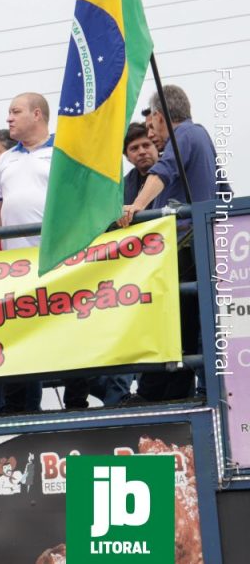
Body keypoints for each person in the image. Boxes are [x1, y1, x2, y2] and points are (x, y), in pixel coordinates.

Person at [119, 85, 233, 401]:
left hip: (187, 243)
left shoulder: (183, 136)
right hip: (205, 242)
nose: (151, 131)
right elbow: (224, 190)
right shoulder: (203, 136)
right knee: (193, 319)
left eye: (152, 122)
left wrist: (136, 206)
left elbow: (162, 171)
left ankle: (194, 388)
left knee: (181, 319)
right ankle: (194, 387)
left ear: (159, 116)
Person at [0, 93, 54, 413]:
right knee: (17, 337)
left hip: (57, 263)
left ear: (37, 114)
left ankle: (78, 403)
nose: (8, 118)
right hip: (15, 269)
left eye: (15, 112)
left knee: (66, 333)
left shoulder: (63, 153)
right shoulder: (6, 160)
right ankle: (17, 411)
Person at [86, 124, 160, 408]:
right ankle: (119, 399)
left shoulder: (172, 175)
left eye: (146, 146)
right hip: (130, 274)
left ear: (156, 147)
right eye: (134, 148)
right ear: (126, 155)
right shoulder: (123, 185)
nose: (141, 152)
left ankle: (160, 393)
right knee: (123, 336)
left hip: (166, 270)